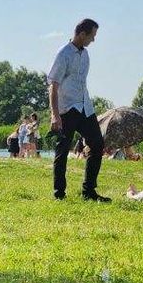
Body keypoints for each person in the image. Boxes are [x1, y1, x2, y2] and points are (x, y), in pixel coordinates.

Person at [48, 18, 108, 201]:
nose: (93, 40)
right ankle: (59, 193)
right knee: (63, 150)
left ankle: (89, 191)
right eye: (92, 35)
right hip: (68, 108)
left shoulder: (86, 55)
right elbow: (53, 85)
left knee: (97, 144)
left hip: (85, 106)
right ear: (82, 34)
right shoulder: (64, 54)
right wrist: (55, 114)